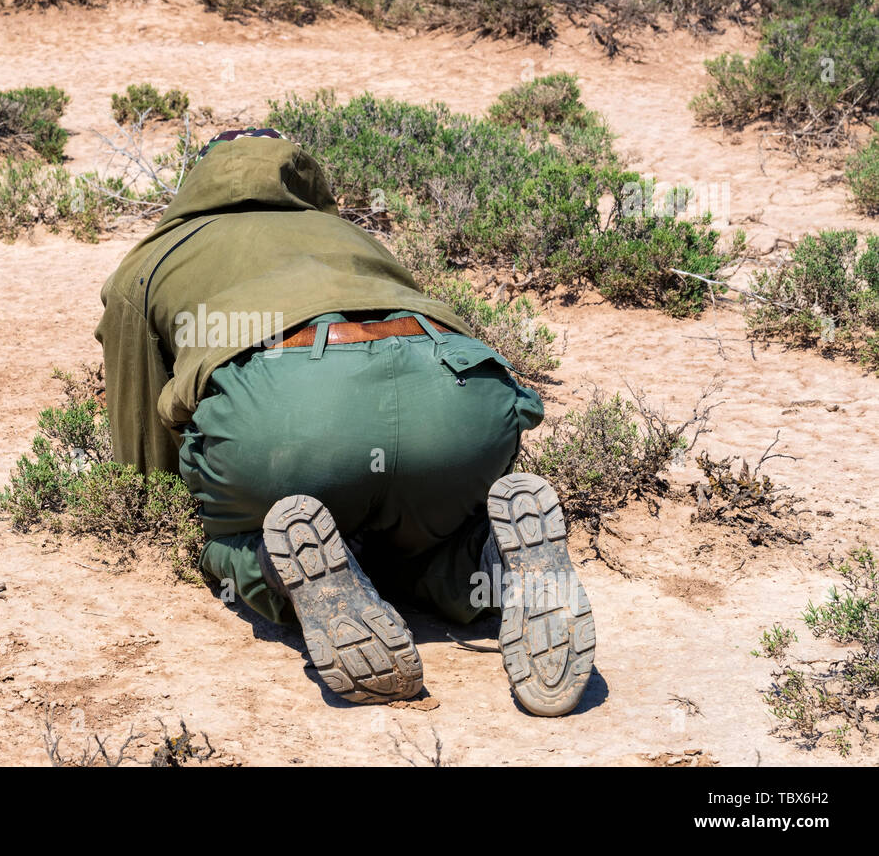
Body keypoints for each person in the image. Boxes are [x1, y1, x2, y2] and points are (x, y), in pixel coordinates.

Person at [95, 128, 596, 715]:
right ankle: (492, 560)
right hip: (457, 400)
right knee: (421, 548)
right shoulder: (350, 233)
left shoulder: (152, 259)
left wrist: (162, 502)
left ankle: (283, 572)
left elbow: (138, 434)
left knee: (228, 546)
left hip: (286, 418)